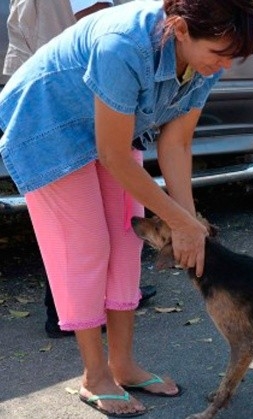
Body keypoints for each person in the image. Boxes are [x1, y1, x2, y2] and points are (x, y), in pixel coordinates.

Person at [0, 0, 253, 416]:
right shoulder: (123, 44)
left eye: (233, 56)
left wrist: (188, 223)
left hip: (109, 129)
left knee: (126, 239)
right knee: (86, 246)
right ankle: (94, 375)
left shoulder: (206, 60)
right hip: (47, 123)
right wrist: (180, 221)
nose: (224, 65)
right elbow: (113, 155)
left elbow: (176, 144)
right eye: (218, 54)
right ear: (179, 30)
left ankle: (122, 365)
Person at [3, 0, 158, 339]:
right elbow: (101, 27)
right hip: (66, 95)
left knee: (91, 233)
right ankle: (74, 310)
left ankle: (93, 304)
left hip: (52, 80)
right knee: (85, 234)